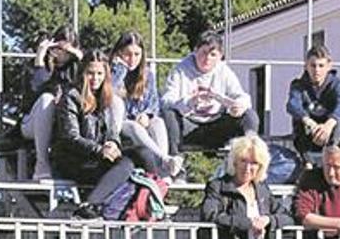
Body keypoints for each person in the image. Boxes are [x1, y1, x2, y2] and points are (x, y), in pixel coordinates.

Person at [51, 49, 157, 219]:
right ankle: (89, 206)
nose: (95, 78)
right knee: (126, 165)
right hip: (74, 159)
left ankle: (155, 200)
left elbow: (112, 131)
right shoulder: (71, 96)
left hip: (98, 156)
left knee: (143, 153)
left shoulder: (107, 98)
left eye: (100, 73)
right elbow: (70, 137)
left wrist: (113, 143)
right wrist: (100, 150)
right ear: (83, 73)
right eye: (90, 73)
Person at [160, 31, 258, 155]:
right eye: (203, 53)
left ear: (220, 56)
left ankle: (250, 159)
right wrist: (189, 102)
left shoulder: (224, 71)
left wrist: (236, 105)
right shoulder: (180, 70)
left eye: (213, 55)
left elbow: (242, 97)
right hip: (188, 126)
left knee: (249, 115)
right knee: (168, 114)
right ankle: (173, 163)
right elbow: (166, 100)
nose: (207, 59)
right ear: (195, 51)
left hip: (216, 126)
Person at [111, 30, 182, 178]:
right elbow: (109, 93)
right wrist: (121, 70)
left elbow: (154, 104)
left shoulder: (147, 75)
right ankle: (165, 159)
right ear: (119, 53)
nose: (132, 59)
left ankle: (165, 168)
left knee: (158, 122)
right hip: (120, 124)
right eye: (127, 54)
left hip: (141, 121)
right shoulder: (112, 71)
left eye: (137, 54)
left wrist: (147, 115)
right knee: (134, 127)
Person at [20, 25, 82, 180]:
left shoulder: (75, 69)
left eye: (66, 50)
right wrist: (40, 58)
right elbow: (33, 95)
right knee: (46, 99)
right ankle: (41, 164)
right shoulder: (40, 67)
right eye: (58, 48)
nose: (62, 54)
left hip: (65, 122)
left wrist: (79, 56)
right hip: (33, 122)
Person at [286, 45, 340, 165]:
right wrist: (311, 124)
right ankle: (308, 163)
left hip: (329, 130)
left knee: (339, 121)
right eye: (313, 65)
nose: (317, 70)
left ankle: (332, 161)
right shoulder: (298, 84)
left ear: (329, 66)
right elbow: (292, 105)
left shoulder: (336, 84)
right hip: (310, 129)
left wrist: (328, 125)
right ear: (306, 66)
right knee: (298, 121)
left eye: (321, 66)